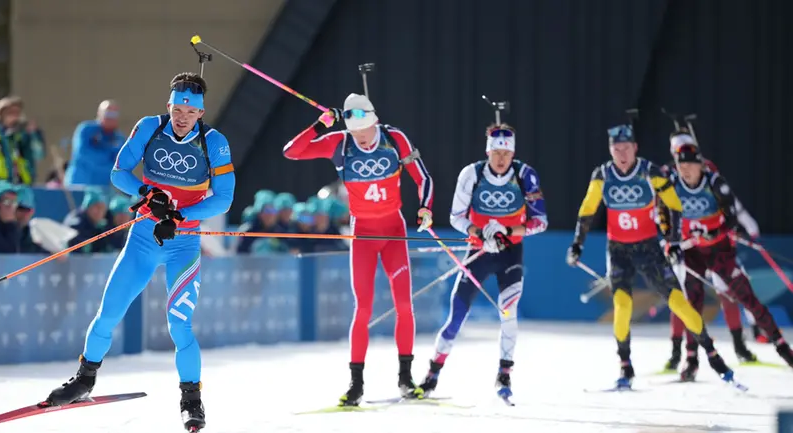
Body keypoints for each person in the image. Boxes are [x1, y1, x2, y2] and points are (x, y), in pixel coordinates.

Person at [43, 72, 236, 433]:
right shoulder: (150, 127)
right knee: (108, 314)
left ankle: (191, 402)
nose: (181, 117)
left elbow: (224, 197)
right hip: (143, 240)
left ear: (200, 113)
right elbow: (119, 173)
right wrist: (148, 193)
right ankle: (85, 379)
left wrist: (180, 216)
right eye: (177, 108)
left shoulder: (215, 142)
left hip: (183, 244)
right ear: (169, 106)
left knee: (179, 325)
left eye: (189, 111)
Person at [283, 93, 434, 405]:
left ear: (374, 121)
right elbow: (292, 153)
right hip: (363, 233)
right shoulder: (340, 141)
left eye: (365, 132)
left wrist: (425, 209)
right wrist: (319, 125)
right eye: (356, 133)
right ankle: (356, 384)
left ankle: (405, 378)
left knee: (404, 305)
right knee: (362, 309)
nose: (362, 140)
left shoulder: (394, 138)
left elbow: (423, 178)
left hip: (394, 230)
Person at [566, 124, 736, 389]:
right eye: (616, 149)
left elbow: (674, 205)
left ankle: (714, 356)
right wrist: (577, 244)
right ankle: (626, 366)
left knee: (679, 303)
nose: (621, 154)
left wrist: (674, 242)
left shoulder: (649, 171)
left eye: (626, 148)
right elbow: (588, 209)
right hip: (619, 250)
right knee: (623, 307)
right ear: (611, 150)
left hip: (648, 249)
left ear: (635, 148)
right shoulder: (603, 174)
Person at [418, 123, 547, 402]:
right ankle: (432, 374)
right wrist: (479, 233)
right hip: (478, 251)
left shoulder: (525, 175)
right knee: (456, 315)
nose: (501, 158)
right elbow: (456, 217)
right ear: (488, 151)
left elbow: (540, 222)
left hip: (510, 254)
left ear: (513, 153)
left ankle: (504, 374)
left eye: (506, 152)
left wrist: (507, 232)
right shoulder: (471, 174)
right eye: (496, 152)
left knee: (508, 311)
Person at [665, 144, 793, 375]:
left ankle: (783, 348)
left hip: (719, 250)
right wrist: (672, 243)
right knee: (692, 304)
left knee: (747, 298)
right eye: (681, 166)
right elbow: (665, 217)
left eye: (689, 166)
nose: (685, 171)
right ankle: (691, 358)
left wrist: (714, 233)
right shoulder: (672, 185)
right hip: (692, 252)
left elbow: (732, 218)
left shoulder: (714, 183)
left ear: (700, 166)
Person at [662, 130, 762, 368]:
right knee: (681, 298)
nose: (681, 159)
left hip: (714, 245)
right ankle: (678, 354)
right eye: (676, 153)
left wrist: (742, 227)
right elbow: (660, 211)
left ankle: (740, 347)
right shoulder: (669, 177)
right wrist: (667, 239)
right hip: (685, 247)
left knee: (727, 292)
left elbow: (730, 205)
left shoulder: (709, 173)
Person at [64, 100, 126, 188]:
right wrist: (107, 156)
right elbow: (83, 153)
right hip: (78, 185)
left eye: (114, 115)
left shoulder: (119, 138)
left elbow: (119, 164)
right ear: (99, 113)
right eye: (108, 114)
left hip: (101, 188)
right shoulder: (86, 129)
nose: (111, 118)